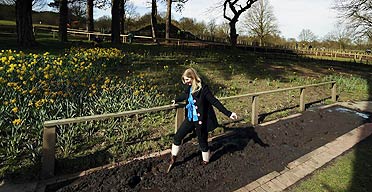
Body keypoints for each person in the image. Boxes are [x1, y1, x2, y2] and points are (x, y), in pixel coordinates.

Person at [170, 68, 238, 165]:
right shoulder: (189, 88)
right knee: (177, 136)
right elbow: (185, 95)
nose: (185, 82)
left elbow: (214, 101)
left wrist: (229, 113)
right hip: (190, 118)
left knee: (202, 141)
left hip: (200, 120)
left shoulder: (203, 89)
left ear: (193, 77)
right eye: (184, 80)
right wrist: (176, 100)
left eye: (187, 80)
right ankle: (173, 158)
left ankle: (206, 160)